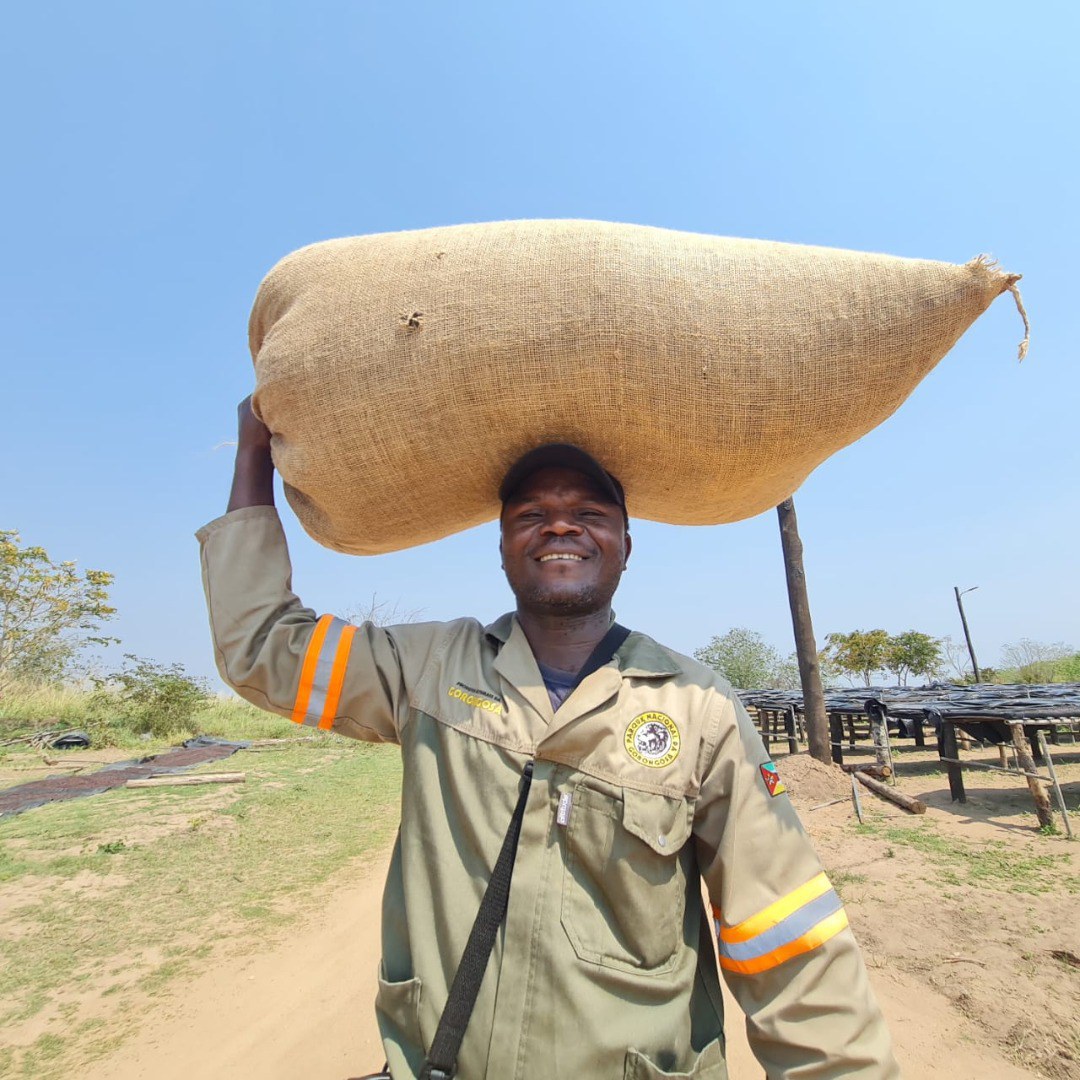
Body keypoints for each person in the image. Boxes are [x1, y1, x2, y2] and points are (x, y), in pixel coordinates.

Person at [197, 397, 900, 1080]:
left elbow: (786, 935)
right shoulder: (426, 668)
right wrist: (254, 454)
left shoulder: (700, 708)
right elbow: (261, 648)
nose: (559, 527)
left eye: (589, 514)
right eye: (532, 515)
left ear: (626, 544)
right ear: (503, 546)